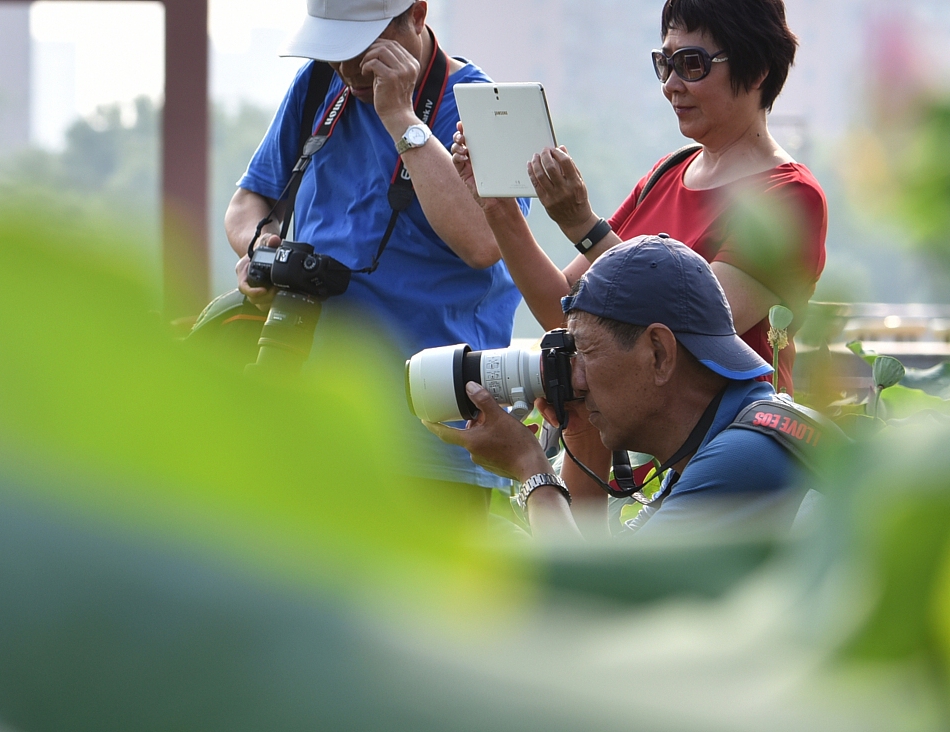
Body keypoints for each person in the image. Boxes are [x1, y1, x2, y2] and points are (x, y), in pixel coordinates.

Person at [225, 0, 528, 509]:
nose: (347, 68)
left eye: (360, 48)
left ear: (416, 14)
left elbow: (484, 244)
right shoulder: (319, 85)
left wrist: (400, 117)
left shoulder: (490, 106)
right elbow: (249, 203)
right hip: (317, 416)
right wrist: (262, 250)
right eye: (333, 49)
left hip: (433, 440)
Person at [452, 0, 825, 396]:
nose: (671, 85)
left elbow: (692, 331)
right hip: (632, 453)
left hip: (722, 450)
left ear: (758, 71)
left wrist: (583, 226)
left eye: (691, 64)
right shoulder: (666, 173)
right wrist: (497, 206)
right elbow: (561, 311)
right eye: (665, 64)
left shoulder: (789, 198)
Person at [426, 235, 807, 539]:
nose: (575, 379)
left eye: (585, 353)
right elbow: (608, 565)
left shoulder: (745, 458)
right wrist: (583, 439)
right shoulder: (717, 442)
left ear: (659, 353)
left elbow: (597, 606)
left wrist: (531, 469)